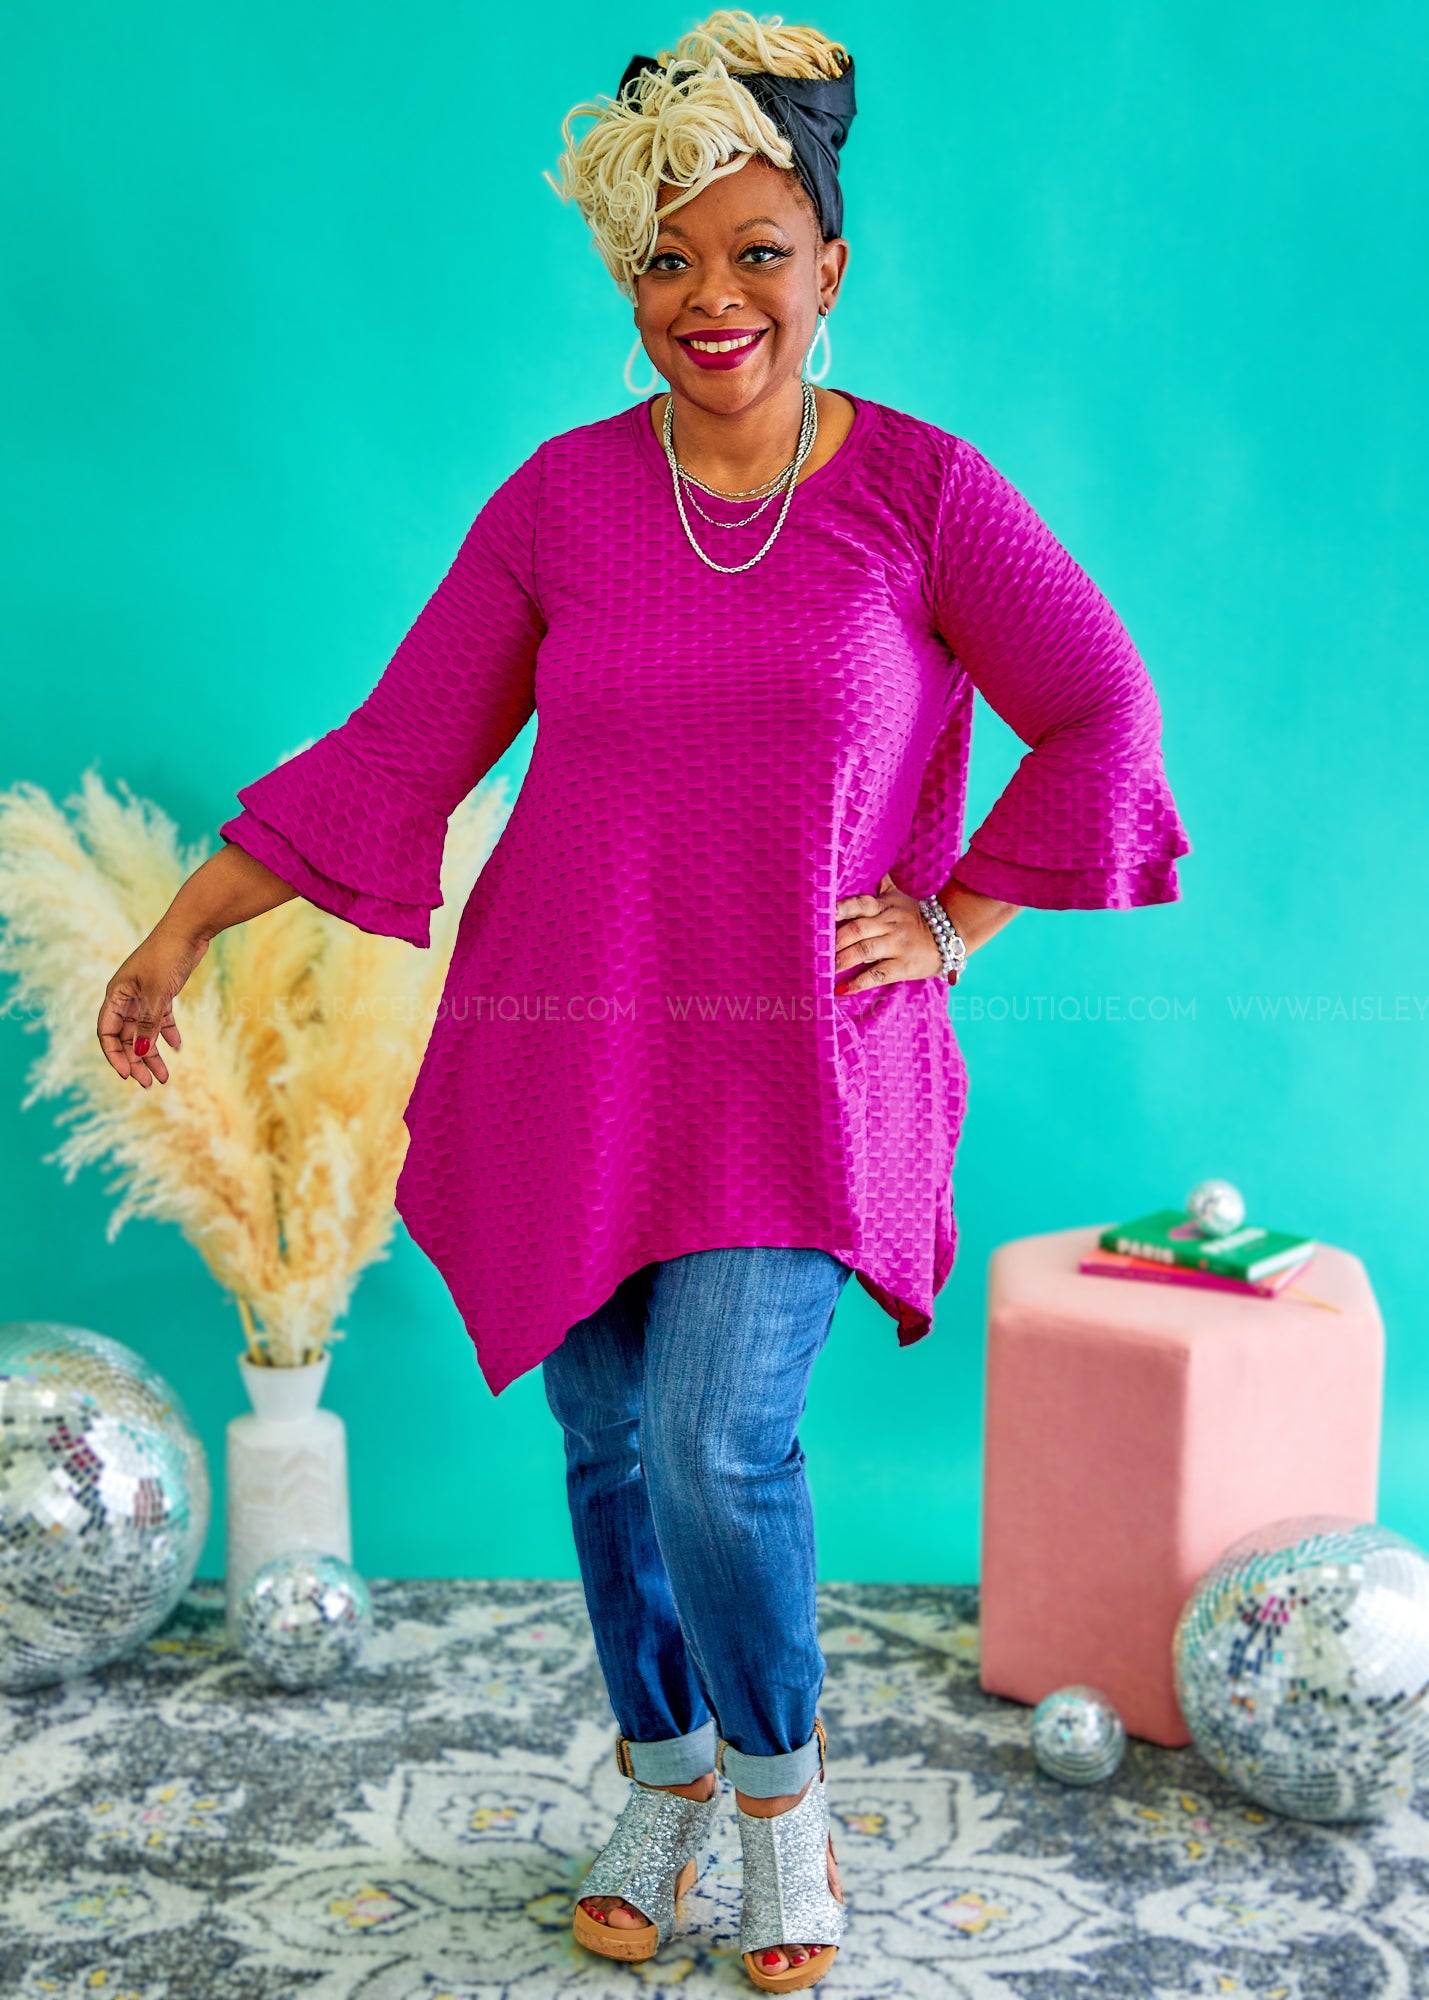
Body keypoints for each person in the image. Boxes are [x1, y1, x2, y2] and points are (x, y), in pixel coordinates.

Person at [96, 9, 1190, 1988]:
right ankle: (664, 1775)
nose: (711, 298)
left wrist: (952, 921)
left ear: (830, 266)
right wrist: (183, 929)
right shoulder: (563, 503)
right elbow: (396, 754)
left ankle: (781, 1804)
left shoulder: (922, 495)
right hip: (569, 1047)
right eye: (667, 259)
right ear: (626, 278)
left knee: (712, 1444)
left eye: (756, 252)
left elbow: (1101, 707)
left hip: (801, 1066)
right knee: (604, 1447)